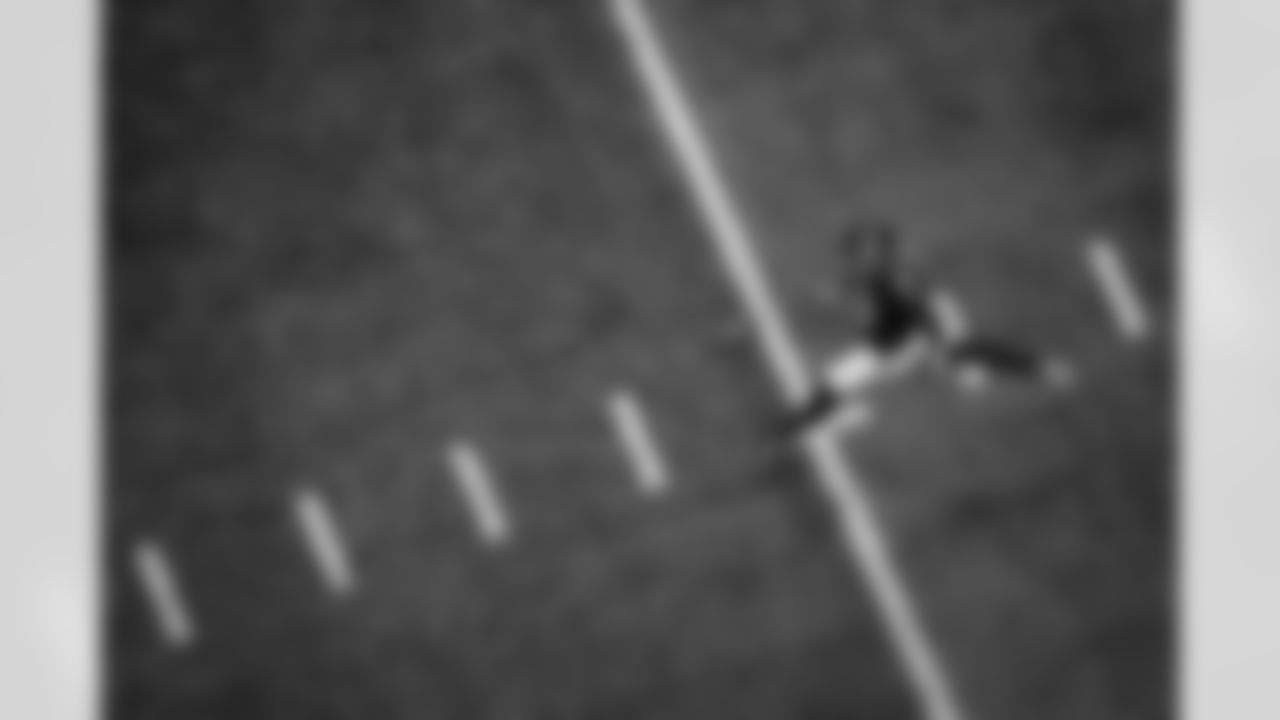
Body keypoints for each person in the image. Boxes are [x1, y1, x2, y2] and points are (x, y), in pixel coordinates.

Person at [784, 221, 1072, 436]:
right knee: (835, 380)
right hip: (889, 341)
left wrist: (935, 346)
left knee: (965, 351)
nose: (855, 260)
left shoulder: (894, 279)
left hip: (897, 347)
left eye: (858, 253)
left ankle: (1040, 368)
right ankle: (811, 421)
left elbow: (916, 307)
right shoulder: (883, 270)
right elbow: (864, 281)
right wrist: (835, 290)